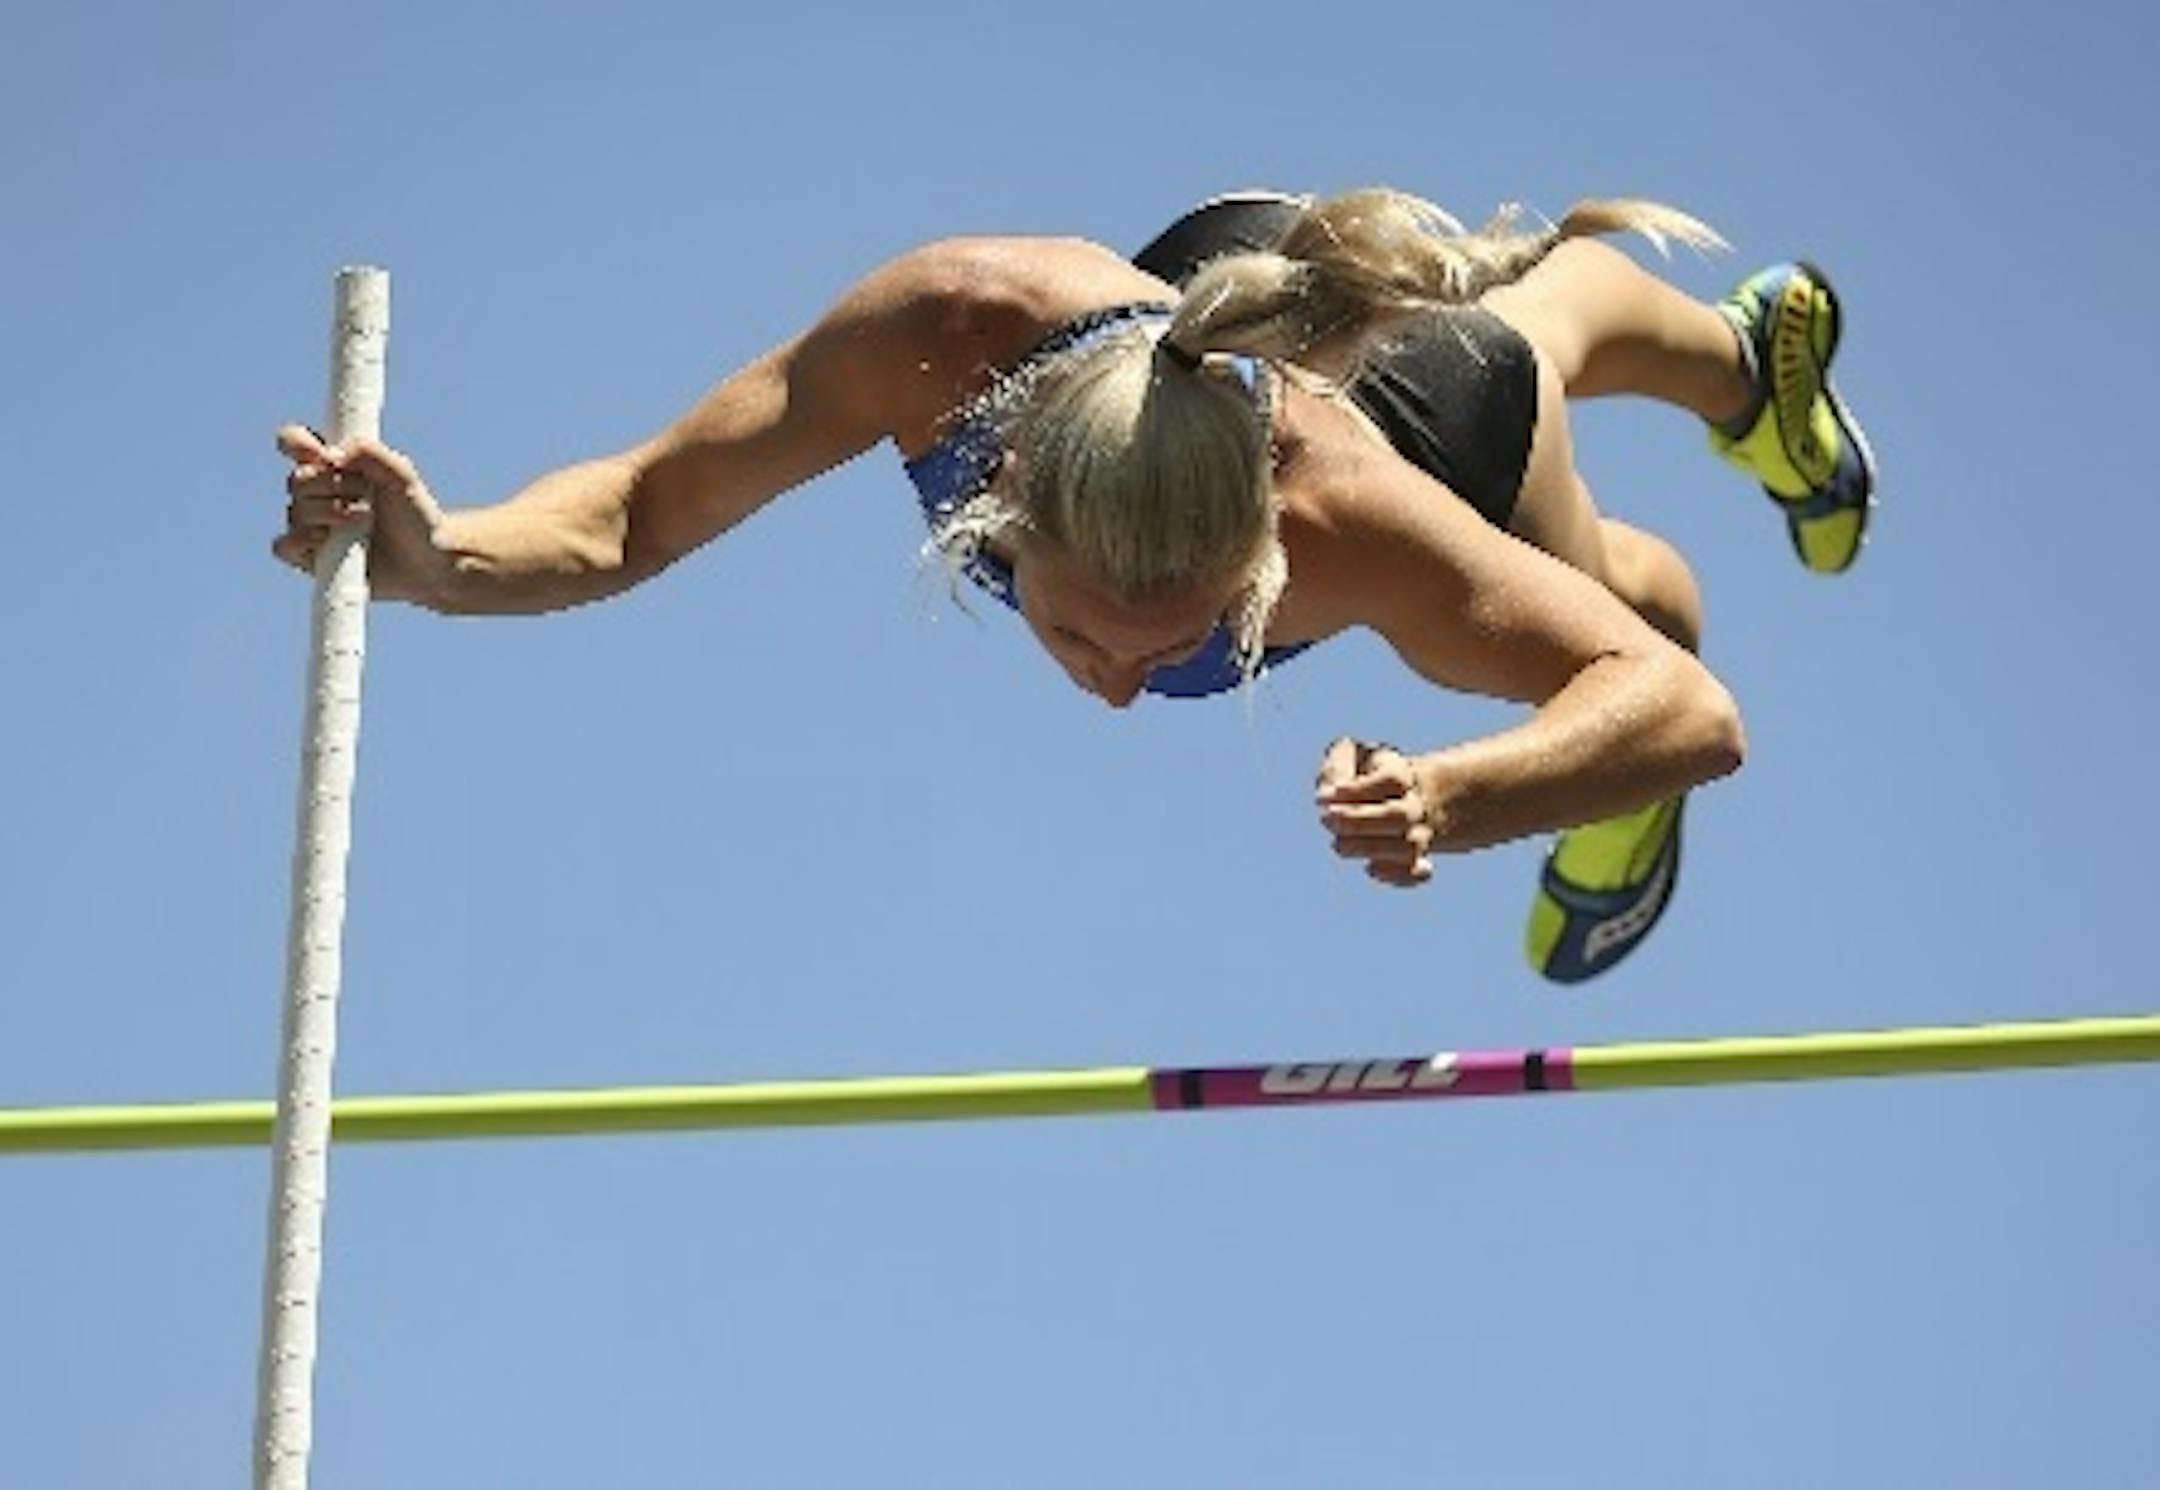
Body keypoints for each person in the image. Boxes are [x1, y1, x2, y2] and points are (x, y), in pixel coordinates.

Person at [274, 186, 1874, 982]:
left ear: (1257, 567)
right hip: (1229, 280)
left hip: (1435, 411)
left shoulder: (1359, 528)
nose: (1108, 687)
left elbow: (1685, 711)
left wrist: (1464, 793)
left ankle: (1747, 365)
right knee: (1518, 350)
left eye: (1158, 650)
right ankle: (1738, 366)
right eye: (1077, 635)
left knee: (1591, 547)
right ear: (1006, 499)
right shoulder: (945, 333)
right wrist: (443, 555)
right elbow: (638, 506)